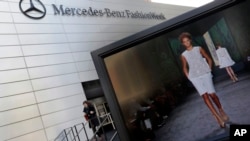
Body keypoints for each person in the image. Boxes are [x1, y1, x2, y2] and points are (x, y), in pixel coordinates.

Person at [179, 32, 229, 128]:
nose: (187, 43)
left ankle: (221, 110)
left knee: (212, 94)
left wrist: (209, 70)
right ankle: (218, 117)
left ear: (190, 40)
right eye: (184, 42)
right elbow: (184, 67)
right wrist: (189, 77)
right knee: (205, 96)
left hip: (205, 73)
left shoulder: (199, 48)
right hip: (195, 77)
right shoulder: (183, 55)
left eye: (187, 40)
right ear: (183, 44)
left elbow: (209, 59)